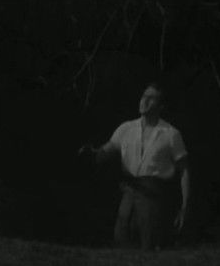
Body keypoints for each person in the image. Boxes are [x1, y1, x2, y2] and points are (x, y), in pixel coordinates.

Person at [81, 83, 190, 250]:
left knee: (150, 248)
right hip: (129, 195)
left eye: (151, 98)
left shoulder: (171, 134)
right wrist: (91, 153)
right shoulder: (126, 128)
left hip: (154, 198)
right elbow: (103, 153)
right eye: (144, 96)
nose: (145, 101)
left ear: (161, 106)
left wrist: (184, 207)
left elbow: (184, 171)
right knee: (122, 243)